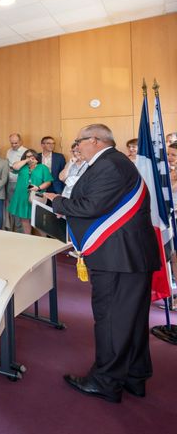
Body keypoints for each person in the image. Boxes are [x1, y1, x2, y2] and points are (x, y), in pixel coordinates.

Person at [44, 124, 160, 403]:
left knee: (111, 320)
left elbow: (90, 206)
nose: (76, 147)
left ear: (94, 141)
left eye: (79, 141)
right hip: (128, 255)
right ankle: (134, 376)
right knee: (130, 319)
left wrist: (58, 202)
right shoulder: (114, 163)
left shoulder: (108, 165)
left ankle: (105, 382)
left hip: (118, 256)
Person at [7, 149, 53, 235]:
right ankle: (28, 238)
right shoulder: (22, 167)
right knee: (24, 219)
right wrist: (26, 160)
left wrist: (38, 188)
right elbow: (14, 167)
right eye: (27, 156)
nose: (30, 158)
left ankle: (45, 240)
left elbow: (48, 182)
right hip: (22, 196)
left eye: (32, 156)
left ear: (36, 157)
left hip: (36, 196)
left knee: (38, 221)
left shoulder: (42, 167)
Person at [5, 133, 28, 232]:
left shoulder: (26, 151)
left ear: (21, 141)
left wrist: (14, 167)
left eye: (16, 143)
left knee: (19, 208)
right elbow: (7, 165)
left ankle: (21, 231)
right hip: (9, 182)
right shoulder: (8, 151)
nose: (14, 145)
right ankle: (12, 230)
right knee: (12, 208)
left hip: (20, 183)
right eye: (12, 143)